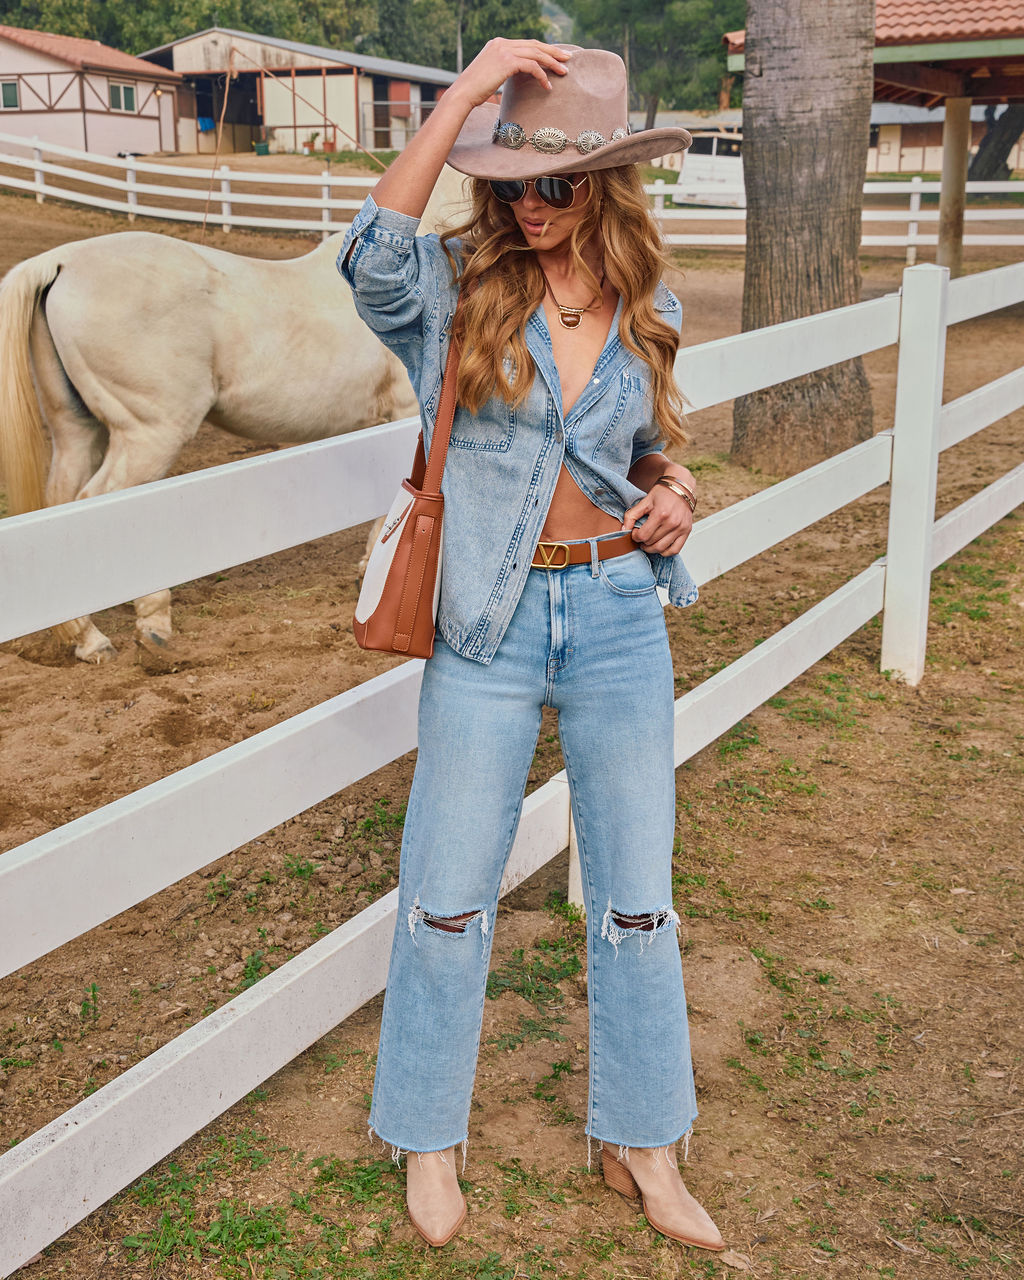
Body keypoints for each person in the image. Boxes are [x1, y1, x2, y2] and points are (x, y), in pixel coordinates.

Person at [337, 39, 724, 1253]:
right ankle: (426, 1136)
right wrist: (460, 96)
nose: (531, 206)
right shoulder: (454, 287)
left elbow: (641, 450)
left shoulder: (648, 303)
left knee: (638, 902)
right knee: (447, 895)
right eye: (509, 183)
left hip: (616, 614)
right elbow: (369, 254)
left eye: (554, 184)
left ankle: (642, 1141)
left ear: (605, 182)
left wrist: (675, 492)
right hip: (485, 625)